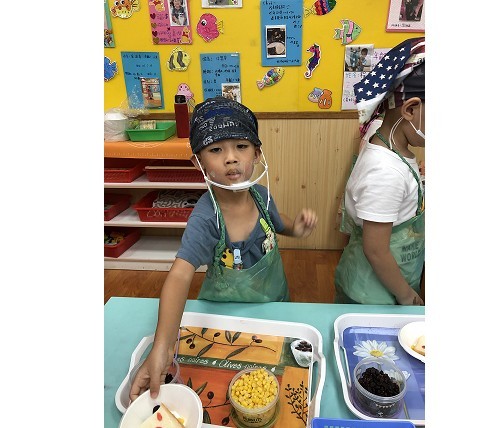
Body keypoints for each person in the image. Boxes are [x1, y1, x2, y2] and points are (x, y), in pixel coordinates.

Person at [129, 97, 318, 402]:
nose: (231, 158)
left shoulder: (262, 196)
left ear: (257, 153)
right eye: (216, 150)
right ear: (198, 162)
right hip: (224, 318)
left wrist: (296, 228)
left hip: (274, 305)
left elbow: (279, 224)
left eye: (241, 146)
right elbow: (180, 275)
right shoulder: (207, 219)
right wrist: (162, 346)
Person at [334, 37, 425, 305]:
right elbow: (375, 250)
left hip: (390, 279)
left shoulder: (386, 141)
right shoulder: (385, 172)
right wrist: (406, 295)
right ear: (410, 109)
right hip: (372, 292)